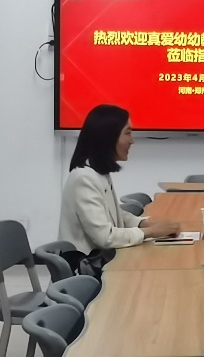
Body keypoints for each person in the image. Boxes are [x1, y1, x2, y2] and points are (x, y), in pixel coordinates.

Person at [59, 104, 180, 255]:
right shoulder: (84, 178)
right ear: (108, 137)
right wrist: (151, 232)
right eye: (127, 133)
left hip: (103, 258)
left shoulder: (98, 172)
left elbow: (114, 215)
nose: (132, 141)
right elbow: (105, 237)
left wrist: (145, 223)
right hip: (87, 264)